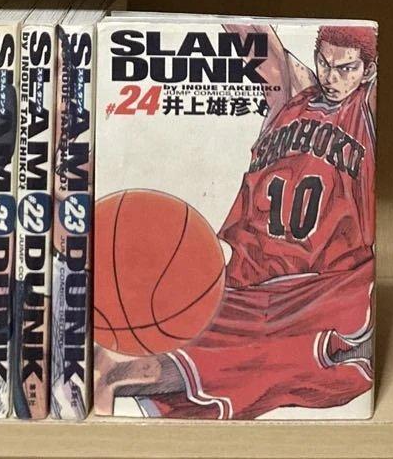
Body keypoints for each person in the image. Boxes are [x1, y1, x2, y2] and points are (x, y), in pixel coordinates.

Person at [95, 23, 377, 419]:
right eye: (324, 63)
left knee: (133, 369)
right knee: (110, 360)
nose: (332, 78)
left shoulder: (366, 111)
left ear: (368, 71)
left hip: (316, 292)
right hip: (248, 283)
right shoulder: (291, 97)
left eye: (346, 68)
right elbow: (255, 38)